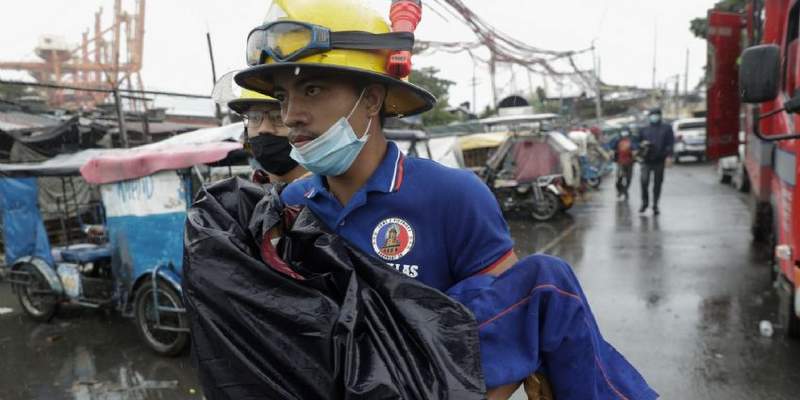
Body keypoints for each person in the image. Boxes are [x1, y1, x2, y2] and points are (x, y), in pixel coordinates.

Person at [231, 1, 656, 398]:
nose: (290, 117)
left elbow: (510, 337)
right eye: (283, 97)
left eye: (313, 90)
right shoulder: (290, 207)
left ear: (372, 98)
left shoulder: (456, 197)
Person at [227, 87, 310, 203]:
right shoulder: (243, 203)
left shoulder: (333, 196)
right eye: (254, 117)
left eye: (279, 117)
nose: (264, 129)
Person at [638, 108, 674, 215]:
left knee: (657, 184)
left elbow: (670, 143)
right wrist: (641, 144)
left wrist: (669, 156)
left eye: (656, 115)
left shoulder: (666, 128)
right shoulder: (644, 129)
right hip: (646, 160)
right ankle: (645, 203)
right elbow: (636, 142)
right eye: (652, 115)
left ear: (660, 116)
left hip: (659, 160)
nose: (654, 117)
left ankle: (655, 205)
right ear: (649, 116)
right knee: (644, 182)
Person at [613, 129, 636, 200]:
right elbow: (612, 149)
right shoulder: (617, 140)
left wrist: (635, 154)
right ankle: (620, 191)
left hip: (630, 163)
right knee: (619, 179)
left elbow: (635, 150)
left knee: (629, 179)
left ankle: (625, 191)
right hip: (620, 163)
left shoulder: (632, 141)